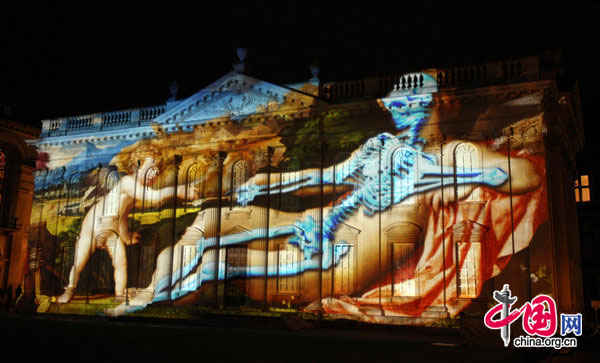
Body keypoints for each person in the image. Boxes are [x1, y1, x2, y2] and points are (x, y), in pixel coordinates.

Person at [58, 145, 199, 303]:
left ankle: (119, 295)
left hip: (111, 231)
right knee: (79, 261)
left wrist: (125, 237)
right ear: (138, 164)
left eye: (157, 171)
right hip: (93, 227)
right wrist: (177, 190)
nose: (155, 173)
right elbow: (154, 197)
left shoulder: (134, 194)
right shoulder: (127, 182)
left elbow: (123, 216)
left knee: (120, 262)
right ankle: (68, 291)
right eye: (152, 168)